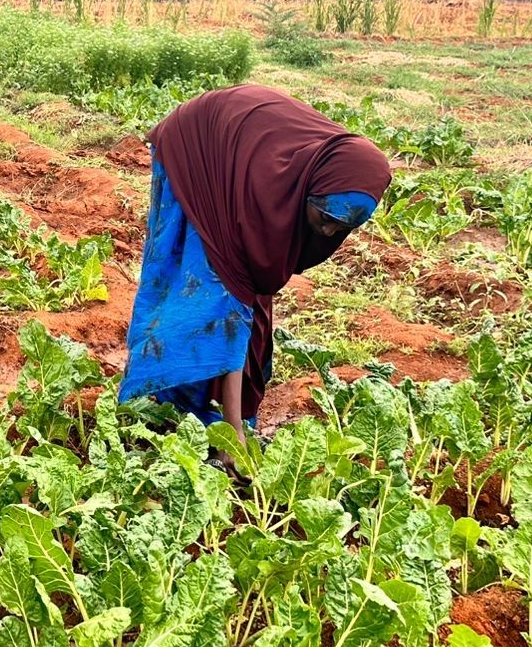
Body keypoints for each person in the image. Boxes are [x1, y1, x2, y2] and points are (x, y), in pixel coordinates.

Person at [118, 84, 392, 440]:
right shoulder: (256, 203)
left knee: (243, 299)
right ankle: (172, 390)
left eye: (341, 228)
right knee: (207, 290)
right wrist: (234, 438)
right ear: (310, 190)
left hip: (242, 151)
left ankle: (208, 404)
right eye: (324, 217)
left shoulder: (309, 181)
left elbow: (258, 286)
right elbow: (235, 312)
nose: (327, 232)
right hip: (198, 148)